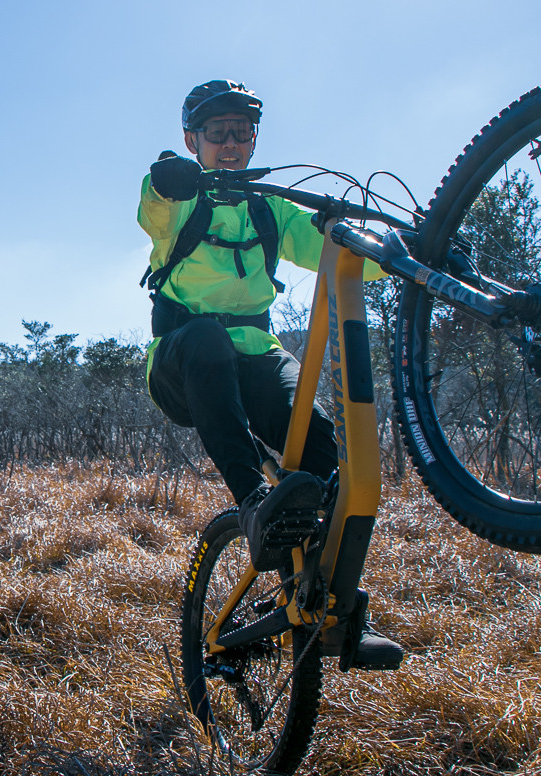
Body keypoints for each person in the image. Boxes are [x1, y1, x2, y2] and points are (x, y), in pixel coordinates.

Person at [138, 79, 403, 669]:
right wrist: (165, 178)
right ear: (192, 139)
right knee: (207, 337)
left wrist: (409, 254)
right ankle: (252, 500)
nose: (231, 143)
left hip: (254, 354)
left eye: (242, 132)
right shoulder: (182, 198)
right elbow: (151, 205)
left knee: (325, 455)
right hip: (182, 362)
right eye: (216, 133)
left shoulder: (270, 210)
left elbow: (339, 250)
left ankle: (337, 608)